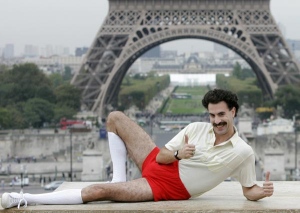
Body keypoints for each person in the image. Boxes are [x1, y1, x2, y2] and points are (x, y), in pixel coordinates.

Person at [1, 89, 274, 209]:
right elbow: (165, 155)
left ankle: (25, 198)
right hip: (159, 161)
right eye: (212, 115)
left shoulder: (243, 152)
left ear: (233, 112)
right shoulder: (196, 127)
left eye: (221, 115)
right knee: (115, 117)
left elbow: (248, 190)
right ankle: (119, 177)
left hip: (167, 187)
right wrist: (180, 154)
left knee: (100, 192)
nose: (216, 121)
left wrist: (261, 193)